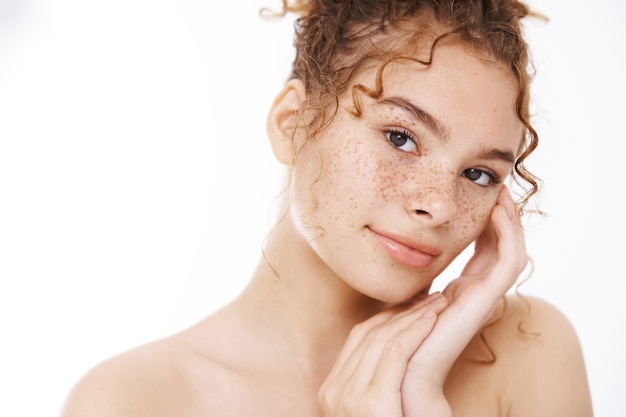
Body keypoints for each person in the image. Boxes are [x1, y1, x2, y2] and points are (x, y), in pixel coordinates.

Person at [60, 0, 593, 416]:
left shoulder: (529, 353)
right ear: (292, 123)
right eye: (401, 138)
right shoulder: (131, 402)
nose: (437, 205)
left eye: (478, 174)